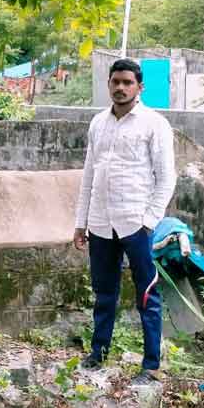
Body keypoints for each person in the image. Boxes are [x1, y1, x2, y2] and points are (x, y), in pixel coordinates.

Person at [72, 58, 176, 382]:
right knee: (104, 293)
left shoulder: (154, 124)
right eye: (115, 82)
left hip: (136, 223)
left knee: (147, 294)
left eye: (127, 82)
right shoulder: (98, 123)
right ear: (109, 84)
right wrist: (81, 222)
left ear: (139, 87)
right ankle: (98, 352)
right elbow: (88, 176)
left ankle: (151, 365)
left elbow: (166, 178)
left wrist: (149, 221)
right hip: (101, 223)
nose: (120, 88)